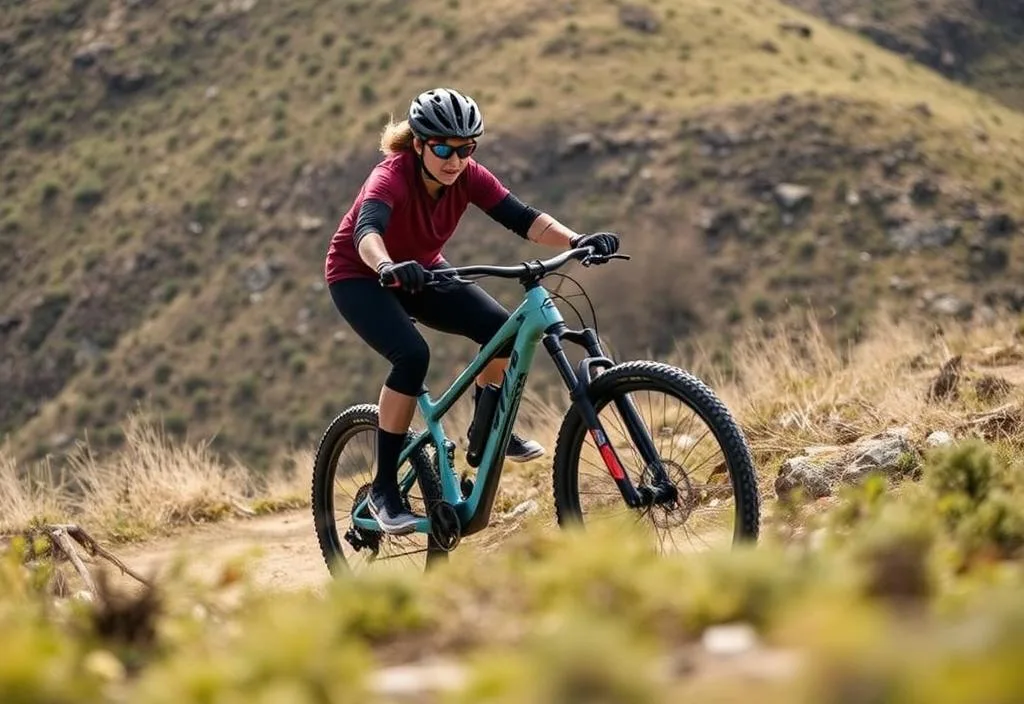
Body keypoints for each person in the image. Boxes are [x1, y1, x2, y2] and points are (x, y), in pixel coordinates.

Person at [324, 87, 620, 535]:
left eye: (465, 149)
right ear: (419, 144)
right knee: (411, 355)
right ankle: (384, 491)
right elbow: (367, 232)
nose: (454, 159)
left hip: (422, 271)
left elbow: (525, 218)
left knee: (501, 330)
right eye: (443, 148)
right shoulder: (390, 177)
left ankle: (483, 436)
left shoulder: (468, 177)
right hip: (362, 276)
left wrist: (577, 240)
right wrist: (386, 265)